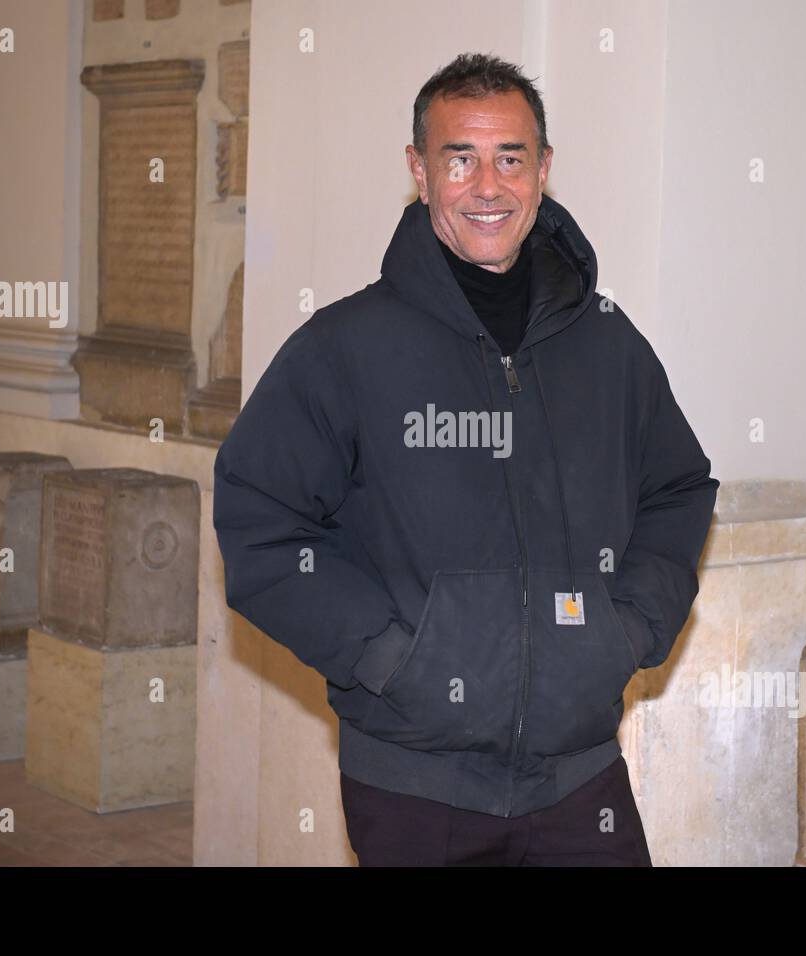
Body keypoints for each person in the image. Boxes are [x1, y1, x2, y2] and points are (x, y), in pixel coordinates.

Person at [213, 52, 718, 866]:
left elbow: (678, 489)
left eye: (510, 157)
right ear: (419, 170)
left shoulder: (609, 346)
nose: (489, 186)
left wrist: (626, 631)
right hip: (418, 788)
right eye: (461, 158)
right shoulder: (345, 348)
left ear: (543, 170)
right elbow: (260, 521)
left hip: (581, 776)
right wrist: (388, 653)